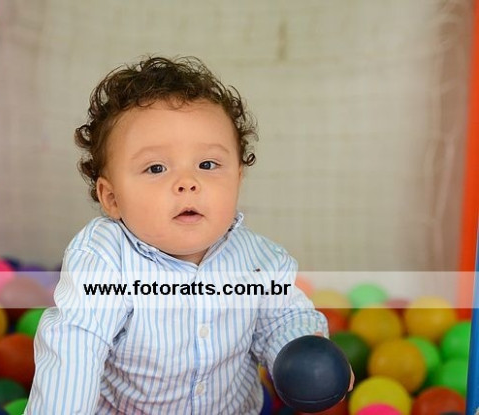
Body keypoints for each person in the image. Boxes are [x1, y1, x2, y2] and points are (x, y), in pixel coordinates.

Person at [25, 56, 340, 414]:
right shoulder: (104, 260)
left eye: (208, 165)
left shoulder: (260, 262)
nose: (188, 182)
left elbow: (283, 320)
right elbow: (75, 346)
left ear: (237, 178)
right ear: (112, 198)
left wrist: (306, 353)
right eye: (156, 168)